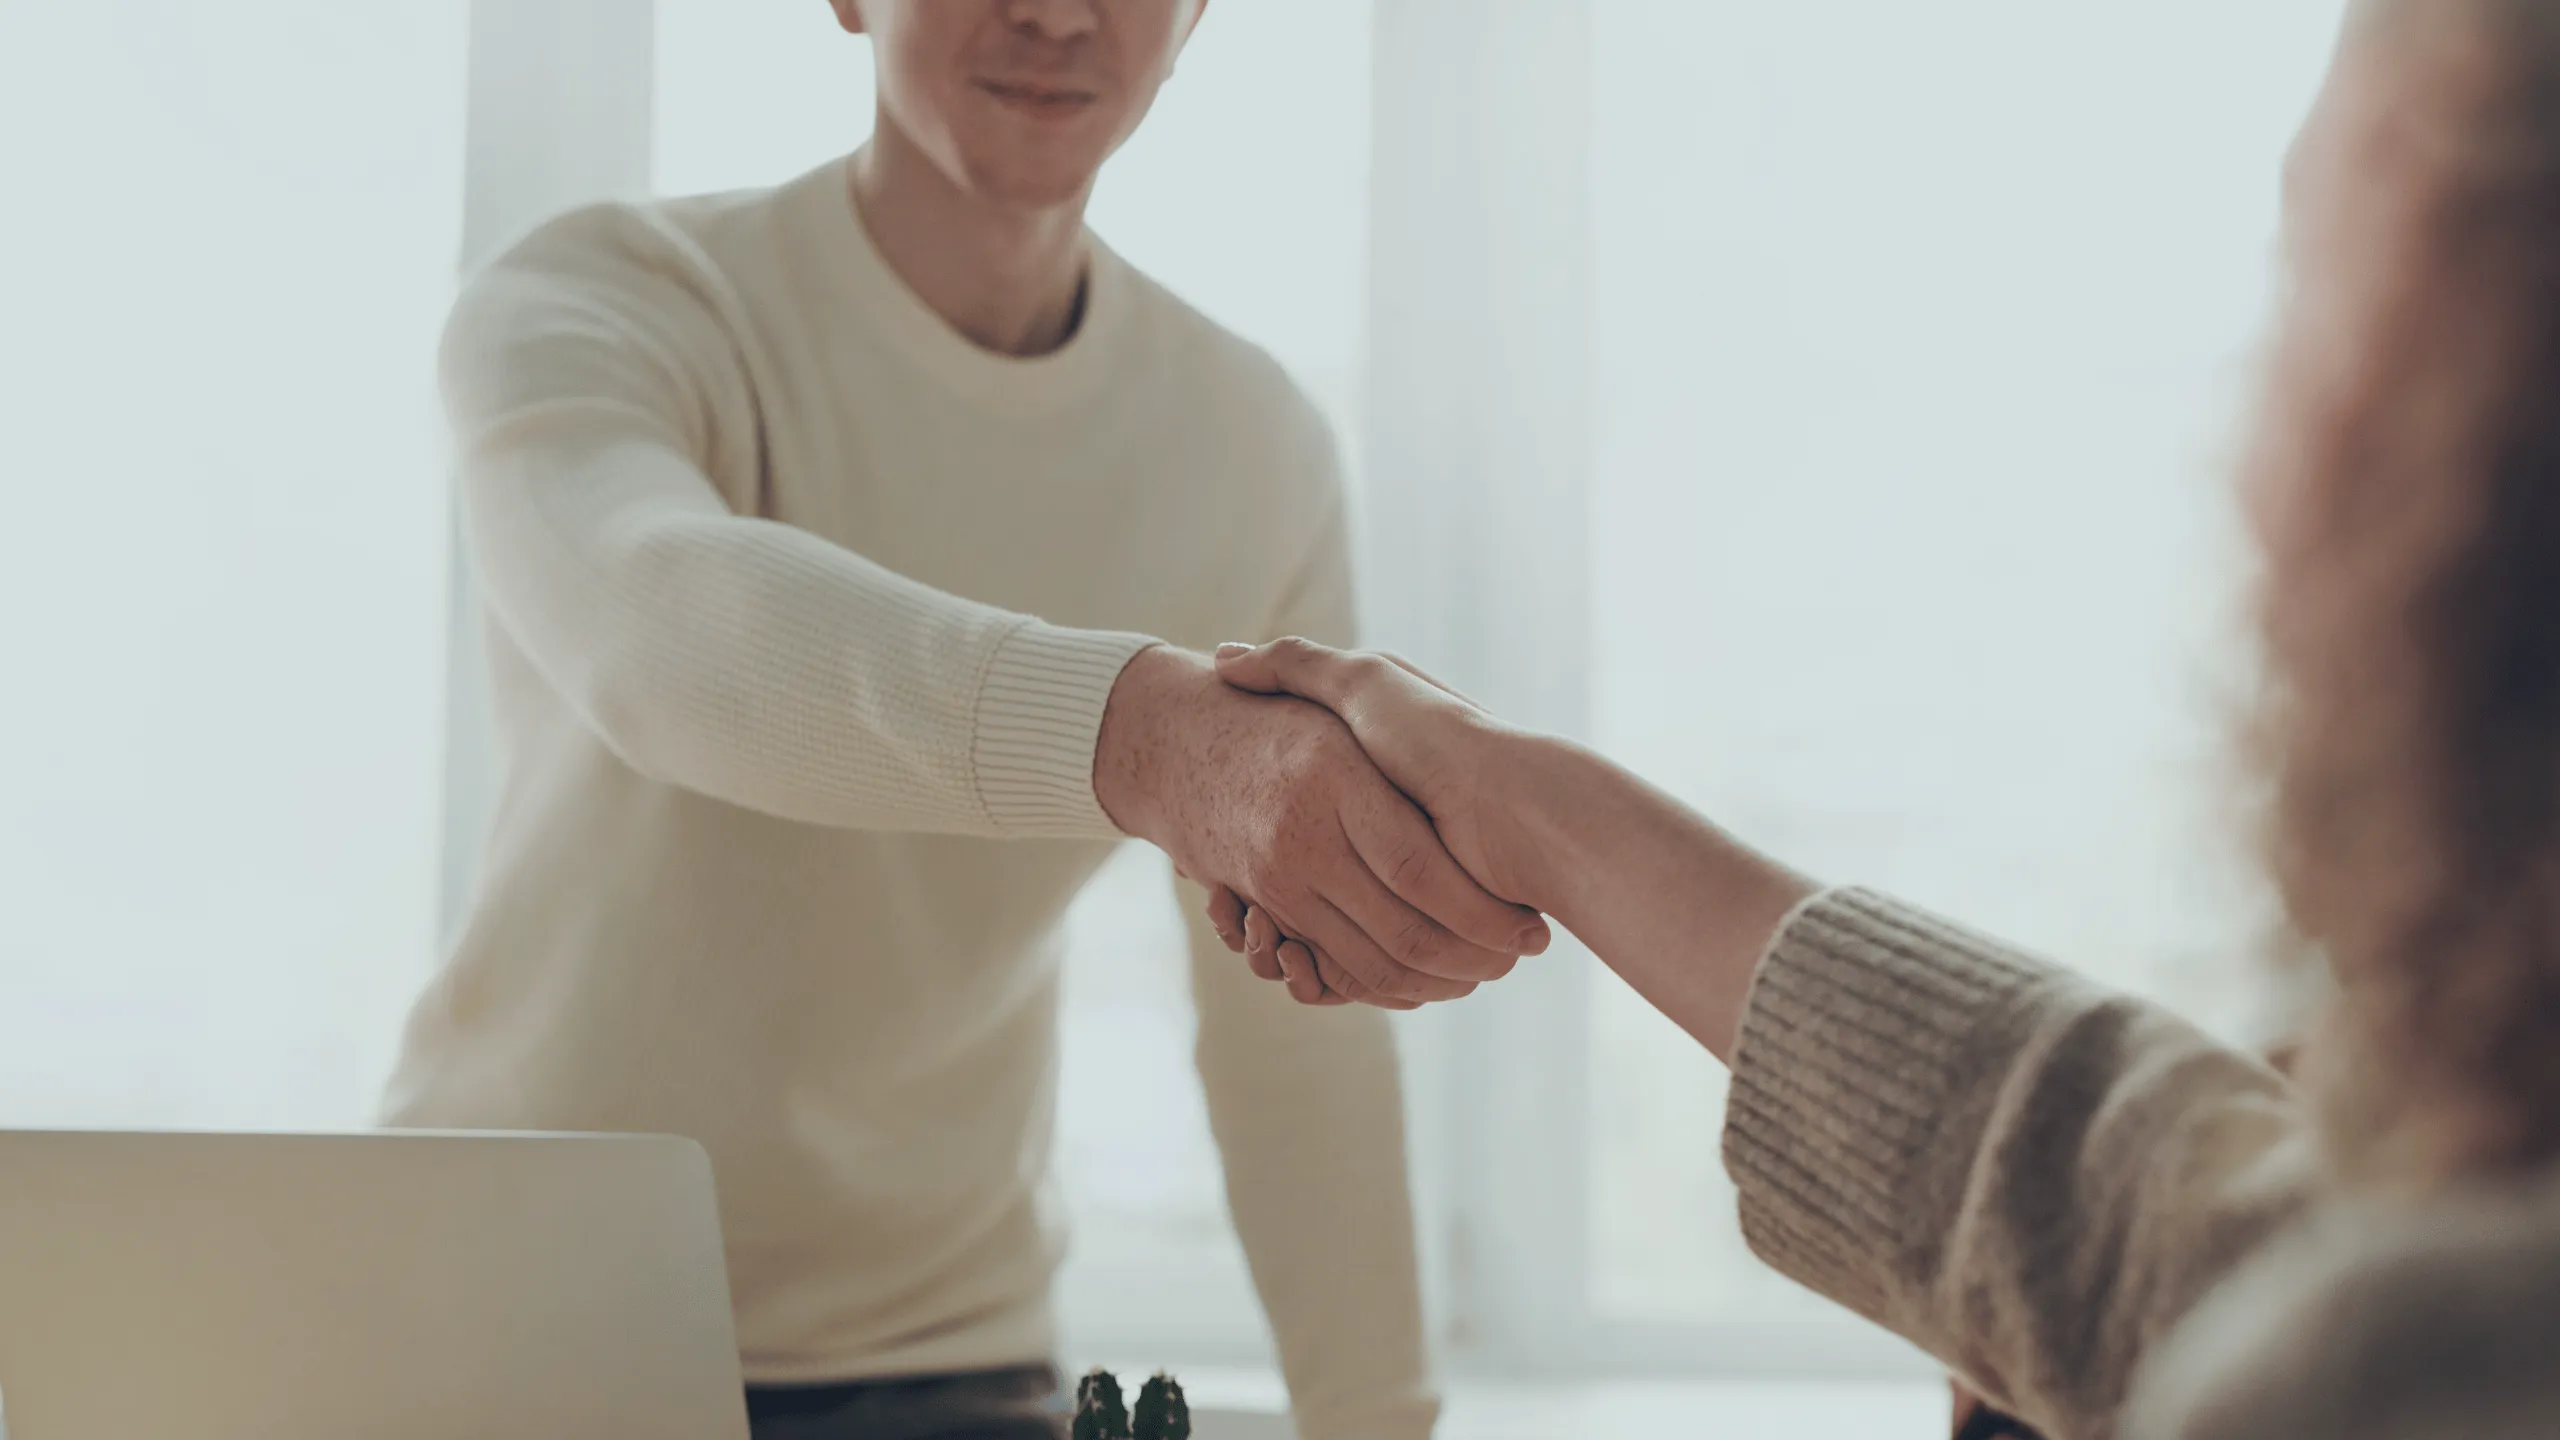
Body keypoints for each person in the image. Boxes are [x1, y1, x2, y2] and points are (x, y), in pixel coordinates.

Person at [1207, 0, 2560, 1434]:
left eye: (2307, 294)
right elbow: (2174, 1227)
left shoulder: (2403, 1367)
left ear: (2471, 434)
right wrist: (1539, 819)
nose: (2249, 475)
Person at [384, 2, 1550, 1437]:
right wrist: (1146, 741)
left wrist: (1380, 1423)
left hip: (946, 1364)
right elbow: (657, 628)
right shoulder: (608, 297)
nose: (1057, 13)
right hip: (494, 1327)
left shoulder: (1251, 446)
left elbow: (1295, 1034)